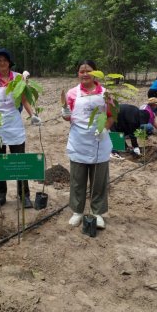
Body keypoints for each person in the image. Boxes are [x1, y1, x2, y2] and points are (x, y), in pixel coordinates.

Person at [0, 48, 41, 209]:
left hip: (14, 123)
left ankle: (24, 196)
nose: (2, 63)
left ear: (9, 62)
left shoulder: (18, 78)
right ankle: (0, 195)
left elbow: (24, 100)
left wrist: (33, 114)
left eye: (4, 60)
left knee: (19, 159)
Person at [63, 60, 113, 229]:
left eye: (88, 70)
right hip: (79, 141)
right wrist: (65, 113)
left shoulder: (105, 93)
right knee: (78, 179)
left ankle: (97, 212)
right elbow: (68, 117)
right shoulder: (71, 93)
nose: (84, 74)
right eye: (81, 71)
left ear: (96, 73)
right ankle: (77, 211)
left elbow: (112, 114)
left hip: (100, 141)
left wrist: (105, 128)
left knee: (99, 180)